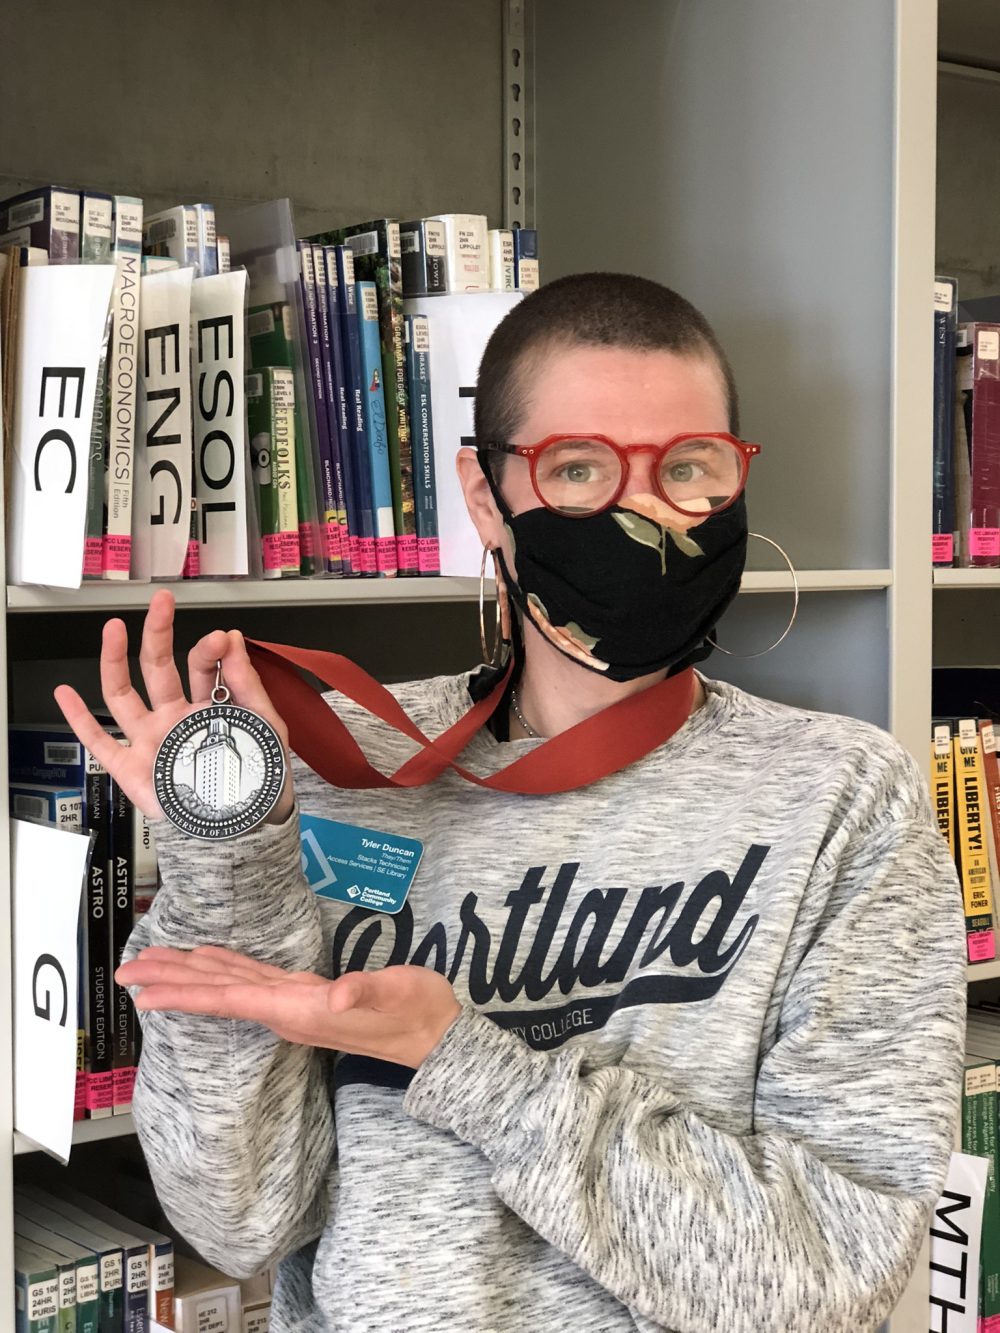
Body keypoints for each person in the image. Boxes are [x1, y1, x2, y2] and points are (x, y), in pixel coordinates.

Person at [56, 273, 966, 1333]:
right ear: (486, 497)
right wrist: (232, 853)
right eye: (577, 470)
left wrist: (464, 1061)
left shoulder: (843, 798)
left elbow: (827, 1281)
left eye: (688, 467)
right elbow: (241, 1222)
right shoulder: (331, 769)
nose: (644, 513)